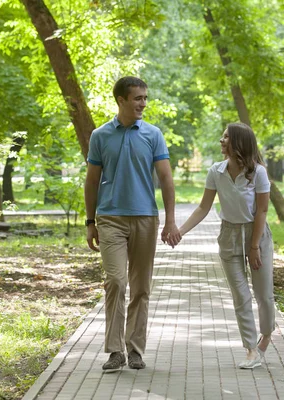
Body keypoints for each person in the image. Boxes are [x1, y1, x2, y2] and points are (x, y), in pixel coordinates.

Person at [84, 76, 181, 372]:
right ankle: (115, 350)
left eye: (145, 98)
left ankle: (135, 349)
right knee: (116, 281)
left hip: (145, 219)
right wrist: (90, 222)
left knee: (140, 287)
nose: (142, 103)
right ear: (121, 100)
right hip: (110, 217)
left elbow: (165, 178)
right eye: (137, 98)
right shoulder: (100, 135)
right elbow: (92, 181)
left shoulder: (153, 134)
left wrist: (170, 221)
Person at [178, 122, 275, 369]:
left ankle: (266, 338)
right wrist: (180, 232)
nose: (221, 141)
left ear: (239, 143)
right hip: (229, 235)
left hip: (257, 235)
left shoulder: (259, 173)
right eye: (222, 137)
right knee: (241, 295)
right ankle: (251, 349)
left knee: (263, 294)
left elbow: (262, 210)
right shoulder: (216, 171)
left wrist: (254, 247)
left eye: (226, 137)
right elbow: (203, 207)